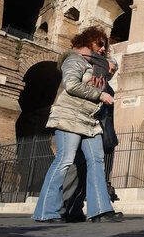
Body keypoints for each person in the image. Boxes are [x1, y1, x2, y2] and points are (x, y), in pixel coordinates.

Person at [32, 27, 123, 223]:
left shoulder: (99, 67)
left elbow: (107, 74)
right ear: (88, 41)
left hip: (90, 120)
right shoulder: (75, 60)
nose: (102, 48)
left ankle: (100, 210)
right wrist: (100, 95)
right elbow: (71, 85)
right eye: (99, 43)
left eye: (105, 46)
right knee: (64, 160)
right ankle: (46, 212)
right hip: (70, 117)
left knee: (97, 162)